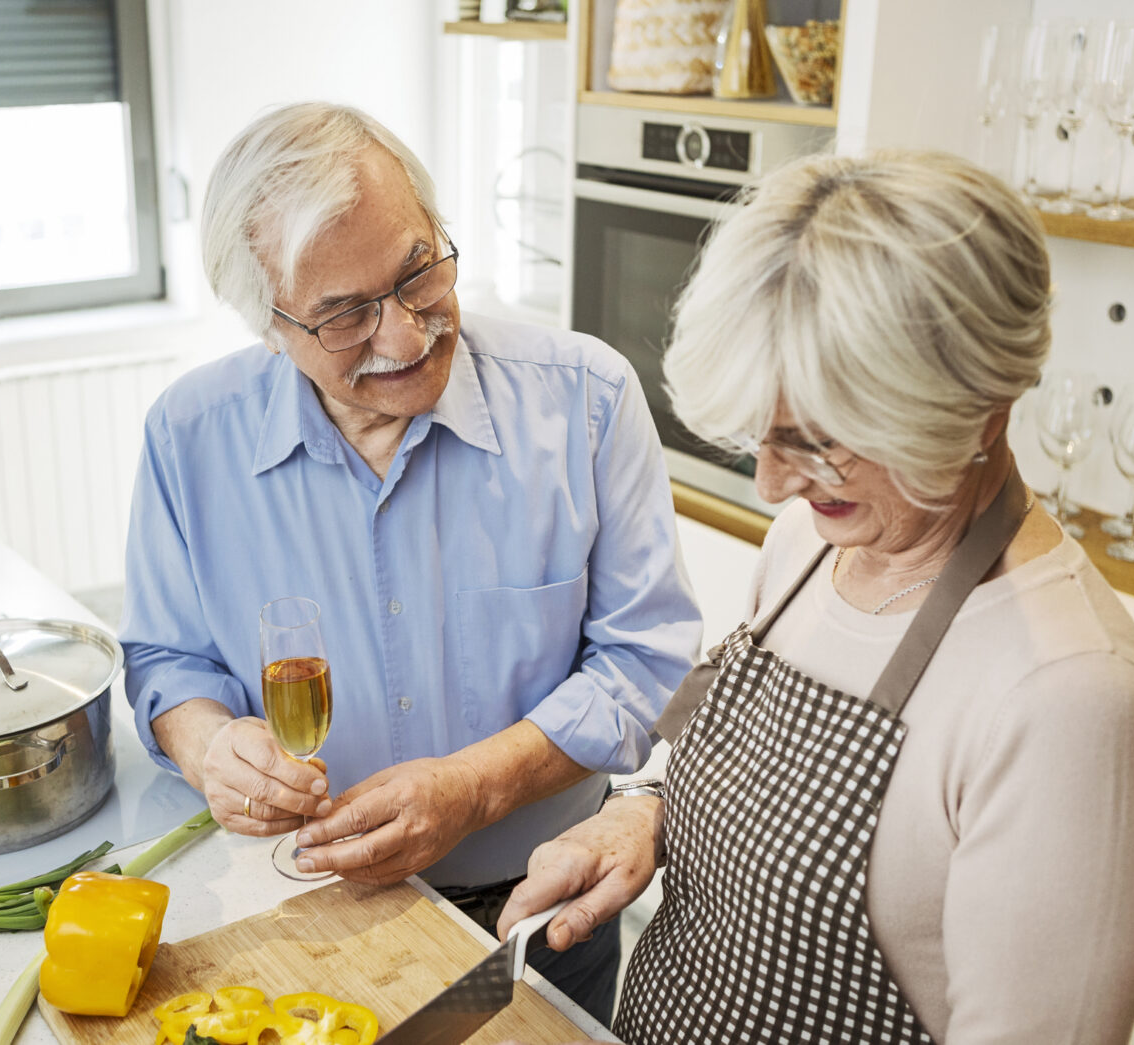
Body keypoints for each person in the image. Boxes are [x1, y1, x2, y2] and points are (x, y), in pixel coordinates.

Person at [495, 149, 1134, 1044]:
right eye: (763, 433)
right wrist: (645, 811)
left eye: (820, 441)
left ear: (974, 405)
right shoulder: (808, 546)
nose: (773, 484)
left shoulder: (1068, 699)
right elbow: (752, 772)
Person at [118, 101, 702, 1024]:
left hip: (535, 916)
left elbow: (643, 660)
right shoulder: (188, 436)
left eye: (417, 272)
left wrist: (477, 786)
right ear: (268, 326)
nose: (404, 334)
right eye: (345, 316)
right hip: (298, 910)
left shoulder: (586, 400)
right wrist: (208, 746)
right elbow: (164, 657)